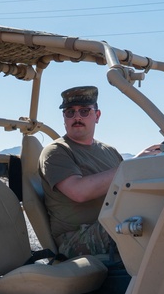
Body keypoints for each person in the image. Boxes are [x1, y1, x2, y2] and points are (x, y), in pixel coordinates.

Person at [38, 87, 129, 259]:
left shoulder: (110, 151)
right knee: (140, 225)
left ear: (97, 115)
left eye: (84, 111)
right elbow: (79, 192)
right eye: (70, 112)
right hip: (76, 239)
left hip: (107, 224)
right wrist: (131, 167)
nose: (77, 117)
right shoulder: (56, 151)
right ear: (64, 118)